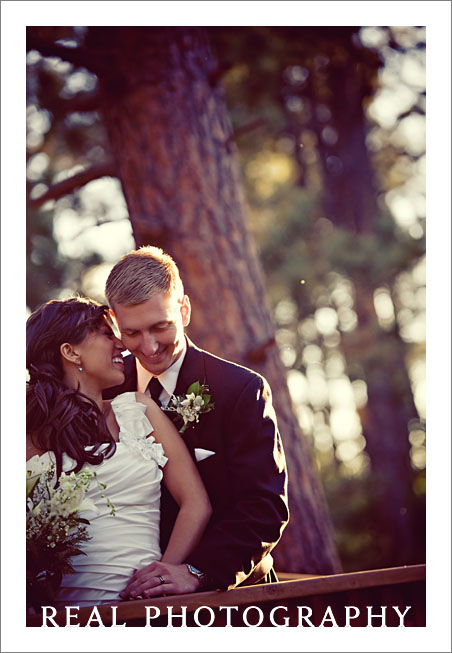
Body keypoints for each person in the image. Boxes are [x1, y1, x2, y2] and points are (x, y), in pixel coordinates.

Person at [103, 246, 289, 600]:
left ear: (183, 310)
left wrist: (196, 572)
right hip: (128, 600)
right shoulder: (105, 391)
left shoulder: (241, 391)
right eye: (132, 333)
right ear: (114, 322)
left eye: (161, 326)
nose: (149, 346)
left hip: (230, 600)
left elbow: (264, 508)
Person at [26, 296, 212, 608]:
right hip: (65, 614)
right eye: (105, 334)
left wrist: (162, 576)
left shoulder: (139, 410)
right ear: (70, 352)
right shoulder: (27, 434)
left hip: (146, 609)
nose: (121, 345)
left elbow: (195, 503)